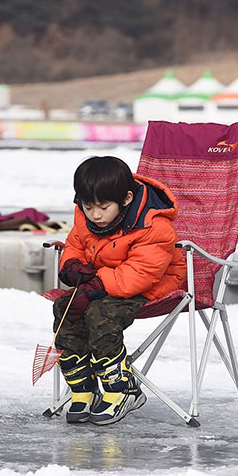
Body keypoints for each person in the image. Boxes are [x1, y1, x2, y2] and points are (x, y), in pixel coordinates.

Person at [52, 156, 186, 426]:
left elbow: (142, 272)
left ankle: (122, 389)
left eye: (103, 207)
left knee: (101, 314)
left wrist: (96, 286)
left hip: (150, 284)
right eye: (88, 207)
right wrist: (72, 266)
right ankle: (83, 387)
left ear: (126, 199)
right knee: (65, 309)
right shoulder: (86, 215)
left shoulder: (152, 225)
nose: (95, 215)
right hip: (103, 279)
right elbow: (75, 243)